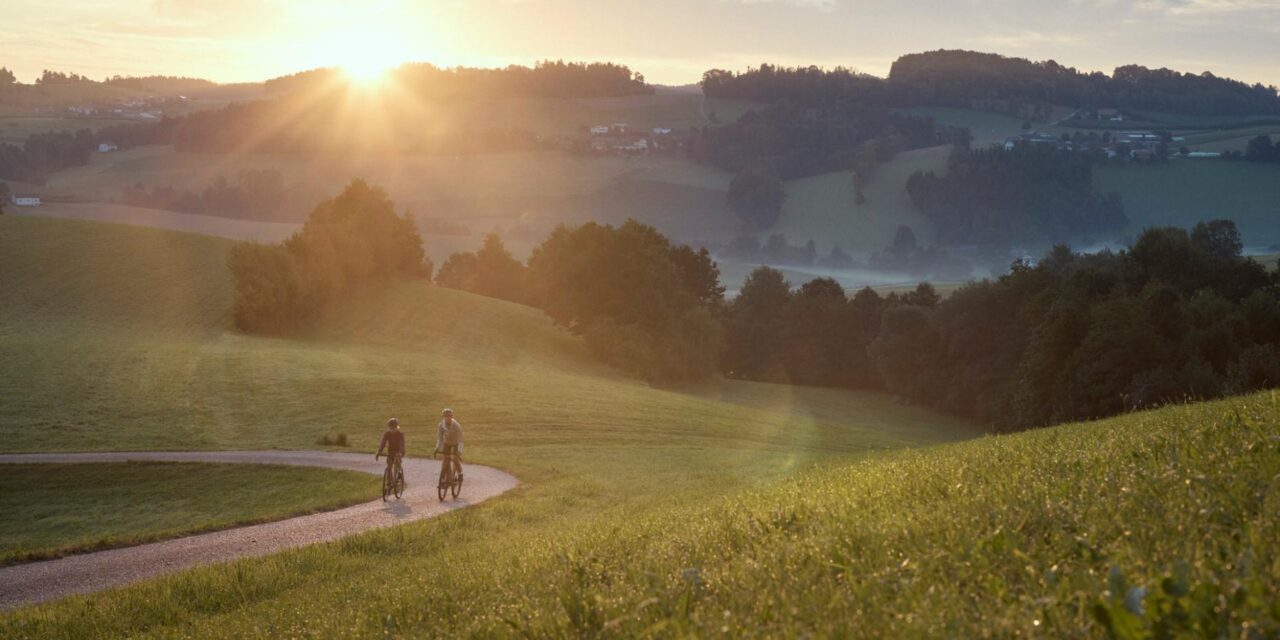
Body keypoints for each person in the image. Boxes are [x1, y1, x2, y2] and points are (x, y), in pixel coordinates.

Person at [435, 408, 463, 488]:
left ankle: (460, 473)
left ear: (452, 416)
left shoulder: (456, 426)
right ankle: (443, 480)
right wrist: (437, 448)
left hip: (456, 443)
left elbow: (461, 439)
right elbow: (439, 438)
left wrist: (459, 451)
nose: (447, 418)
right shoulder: (441, 425)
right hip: (446, 443)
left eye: (449, 416)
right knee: (445, 460)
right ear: (443, 417)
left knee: (455, 458)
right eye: (445, 416)